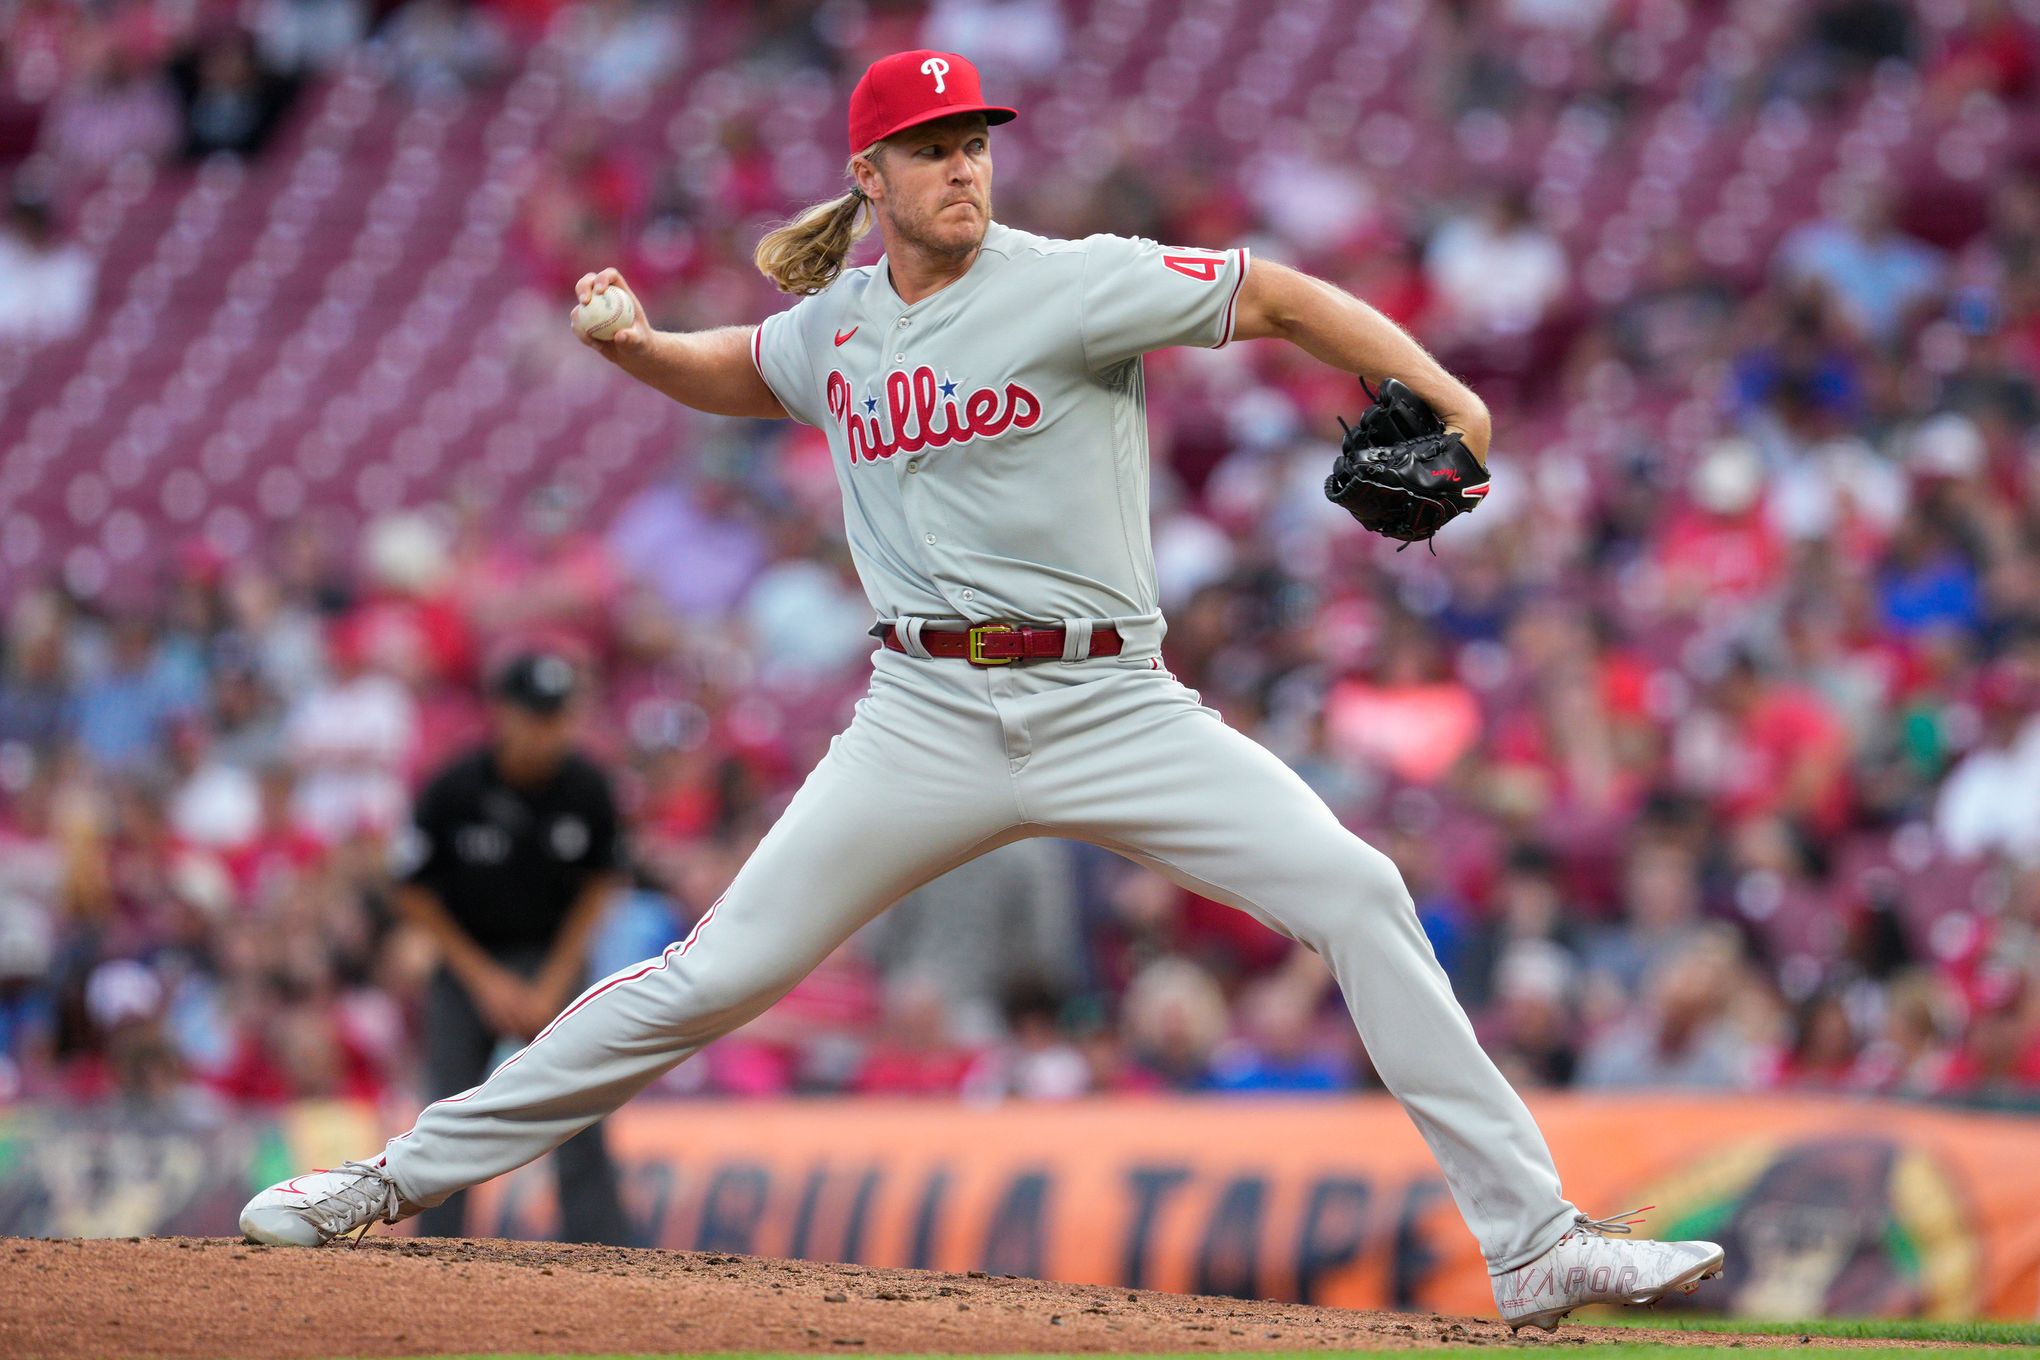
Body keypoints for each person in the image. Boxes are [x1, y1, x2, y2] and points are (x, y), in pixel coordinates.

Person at [241, 49, 1722, 1331]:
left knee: (1356, 892)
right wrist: (634, 345)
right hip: (924, 716)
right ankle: (392, 1178)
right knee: (715, 976)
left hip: (1112, 704)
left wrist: (1452, 397)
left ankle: (1532, 1247)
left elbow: (1271, 295)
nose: (966, 168)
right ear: (870, 175)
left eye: (975, 144)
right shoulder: (837, 325)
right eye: (935, 150)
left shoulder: (1071, 283)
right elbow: (737, 366)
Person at [381, 649, 633, 1245]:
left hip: (554, 964)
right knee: (446, 1116)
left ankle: (600, 1252)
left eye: (559, 716)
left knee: (581, 1111)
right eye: (536, 716)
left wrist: (552, 981)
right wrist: (484, 979)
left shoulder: (588, 787)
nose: (549, 732)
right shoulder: (454, 787)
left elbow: (602, 885)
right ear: (503, 714)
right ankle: (436, 1251)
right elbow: (412, 891)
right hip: (469, 968)